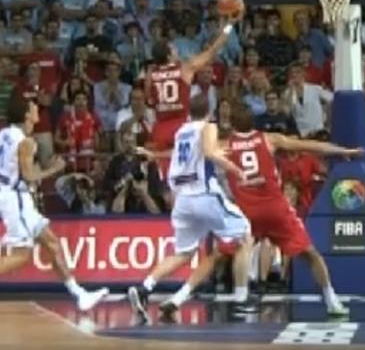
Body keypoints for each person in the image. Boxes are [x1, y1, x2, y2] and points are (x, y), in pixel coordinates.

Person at [222, 104, 361, 316]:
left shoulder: (225, 145)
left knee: (231, 252)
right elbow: (308, 145)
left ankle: (239, 298)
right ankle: (331, 300)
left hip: (247, 210)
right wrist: (342, 151)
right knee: (311, 254)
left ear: (232, 124)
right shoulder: (269, 139)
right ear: (254, 122)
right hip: (275, 208)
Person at [128, 94, 251, 323]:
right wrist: (235, 170)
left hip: (183, 201)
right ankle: (242, 299)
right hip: (204, 194)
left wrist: (154, 155)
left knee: (183, 253)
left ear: (188, 112)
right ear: (209, 111)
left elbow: (181, 154)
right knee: (244, 233)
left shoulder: (182, 131)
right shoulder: (208, 126)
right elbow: (209, 152)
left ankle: (145, 287)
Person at [0, 96, 109, 310]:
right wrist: (55, 169)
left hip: (12, 195)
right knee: (22, 256)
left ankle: (79, 294)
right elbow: (30, 177)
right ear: (26, 114)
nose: (37, 111)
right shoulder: (26, 142)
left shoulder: (4, 134)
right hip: (15, 198)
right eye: (34, 108)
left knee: (51, 243)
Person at [146, 16, 240, 151]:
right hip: (181, 126)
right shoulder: (185, 68)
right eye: (173, 49)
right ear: (168, 56)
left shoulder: (150, 73)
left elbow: (149, 100)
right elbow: (213, 50)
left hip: (160, 128)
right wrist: (229, 25)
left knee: (162, 163)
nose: (176, 50)